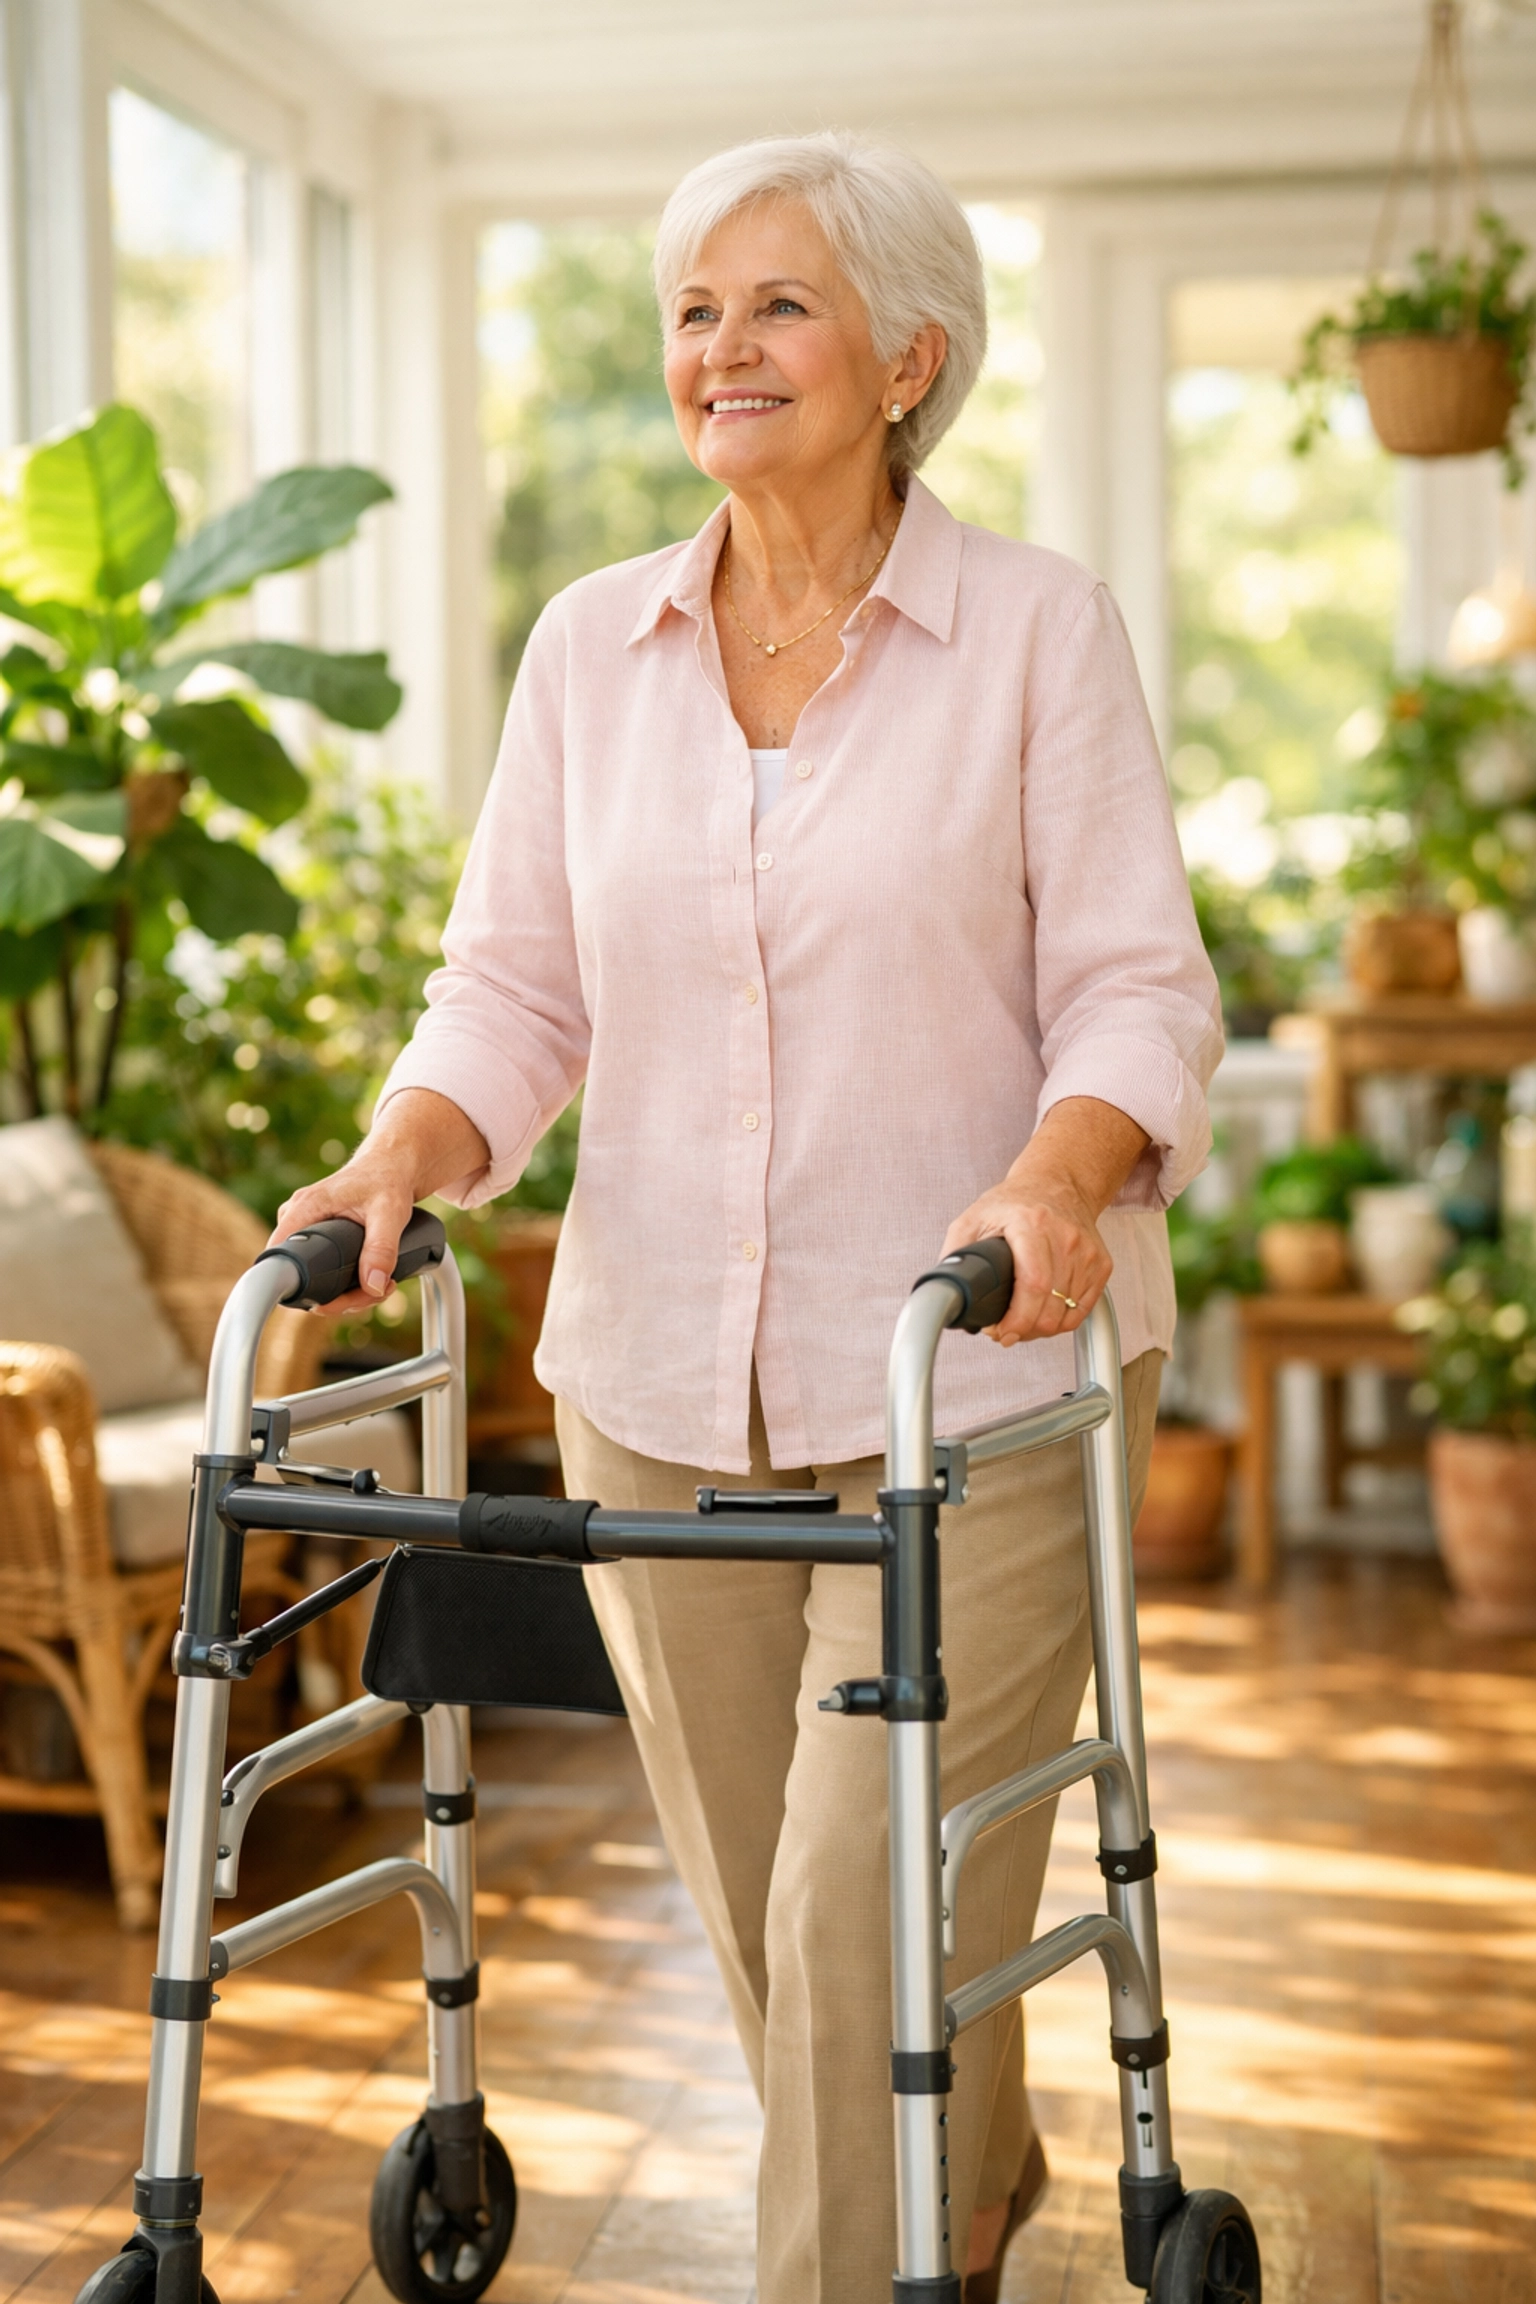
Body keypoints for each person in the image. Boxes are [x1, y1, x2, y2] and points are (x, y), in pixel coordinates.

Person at [273, 130, 1222, 2304]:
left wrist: (1057, 1179)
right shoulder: (591, 652)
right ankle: (965, 2172)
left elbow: (1139, 988)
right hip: (656, 1371)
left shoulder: (1034, 635)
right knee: (787, 1911)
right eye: (695, 309)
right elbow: (513, 987)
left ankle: (869, 2268)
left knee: (851, 1905)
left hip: (971, 1371)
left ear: (908, 359)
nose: (723, 348)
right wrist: (406, 1149)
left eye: (777, 305)